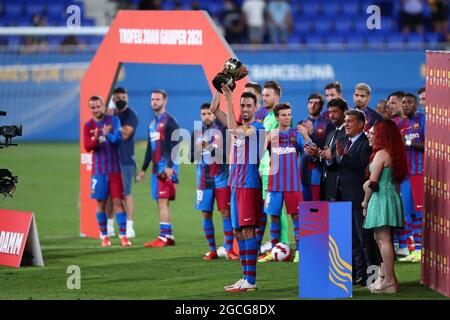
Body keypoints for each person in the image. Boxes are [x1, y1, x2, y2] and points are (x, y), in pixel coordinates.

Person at [220, 84, 265, 292]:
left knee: (248, 230)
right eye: (242, 105)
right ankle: (245, 277)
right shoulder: (240, 127)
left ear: (255, 108)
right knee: (237, 231)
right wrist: (219, 88)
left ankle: (251, 280)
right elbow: (213, 111)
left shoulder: (257, 128)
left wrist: (229, 100)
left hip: (249, 184)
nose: (245, 108)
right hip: (236, 184)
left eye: (248, 105)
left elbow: (232, 130)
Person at [362, 120, 408, 293]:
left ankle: (389, 281)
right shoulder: (394, 153)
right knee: (381, 239)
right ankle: (388, 278)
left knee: (383, 239)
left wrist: (365, 201)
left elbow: (373, 183)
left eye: (374, 132)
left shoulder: (382, 153)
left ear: (382, 134)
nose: (370, 134)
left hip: (380, 199)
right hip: (390, 198)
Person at [192, 102, 238, 261]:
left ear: (214, 115)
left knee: (225, 213)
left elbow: (226, 155)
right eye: (203, 114)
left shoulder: (223, 131)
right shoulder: (196, 133)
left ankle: (229, 249)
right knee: (206, 214)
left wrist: (209, 147)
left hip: (221, 178)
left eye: (209, 114)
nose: (206, 117)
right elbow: (191, 157)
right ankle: (212, 250)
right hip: (203, 181)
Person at [83, 96, 131, 247]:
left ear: (103, 107)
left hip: (114, 170)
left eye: (98, 106)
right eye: (93, 107)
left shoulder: (113, 121)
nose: (96, 109)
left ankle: (123, 236)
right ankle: (104, 236)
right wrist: (96, 138)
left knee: (118, 202)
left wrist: (107, 134)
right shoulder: (88, 125)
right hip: (98, 172)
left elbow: (118, 140)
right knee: (101, 203)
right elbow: (88, 147)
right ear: (90, 109)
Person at [137, 89, 181, 247]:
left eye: (157, 99)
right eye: (152, 99)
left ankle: (163, 238)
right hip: (156, 168)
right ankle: (168, 236)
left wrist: (170, 166)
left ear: (165, 101)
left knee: (163, 201)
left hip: (165, 167)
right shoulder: (152, 124)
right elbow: (150, 148)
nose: (154, 102)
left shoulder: (169, 121)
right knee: (161, 202)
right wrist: (143, 169)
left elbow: (176, 143)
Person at [334, 109, 372, 286]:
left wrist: (343, 157)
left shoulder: (365, 143)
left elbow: (361, 166)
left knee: (365, 240)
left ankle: (371, 276)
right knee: (353, 240)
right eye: (346, 121)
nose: (346, 124)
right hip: (344, 197)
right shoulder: (345, 142)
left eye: (350, 121)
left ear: (361, 124)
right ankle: (359, 274)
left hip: (359, 198)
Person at [254, 81, 290, 262]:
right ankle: (278, 245)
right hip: (265, 168)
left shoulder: (278, 118)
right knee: (271, 208)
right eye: (263, 95)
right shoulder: (268, 117)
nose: (263, 98)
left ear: (277, 96)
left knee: (275, 208)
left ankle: (282, 245)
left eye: (267, 95)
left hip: (273, 169)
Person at [264, 103, 304, 260]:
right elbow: (258, 153)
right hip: (274, 184)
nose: (287, 117)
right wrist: (266, 139)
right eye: (284, 115)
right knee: (274, 216)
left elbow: (307, 150)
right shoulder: (271, 135)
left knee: (296, 217)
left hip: (292, 184)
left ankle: (300, 252)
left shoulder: (296, 135)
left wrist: (306, 136)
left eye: (289, 114)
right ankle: (273, 250)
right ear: (277, 117)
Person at [396, 93, 425, 263]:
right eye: (404, 103)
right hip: (405, 175)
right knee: (409, 213)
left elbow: (429, 145)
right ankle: (415, 249)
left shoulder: (422, 120)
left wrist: (406, 143)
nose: (406, 105)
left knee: (420, 212)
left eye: (409, 103)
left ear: (416, 105)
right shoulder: (400, 124)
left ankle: (423, 249)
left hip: (419, 172)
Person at [106, 87, 139, 239]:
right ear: (113, 99)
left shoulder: (131, 115)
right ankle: (109, 225)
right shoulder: (109, 115)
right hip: (110, 160)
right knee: (110, 195)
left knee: (126, 194)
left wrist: (111, 125)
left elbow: (124, 134)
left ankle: (129, 226)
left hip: (125, 160)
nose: (121, 99)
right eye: (117, 97)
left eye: (123, 96)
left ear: (127, 98)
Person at [297, 93, 330, 202]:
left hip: (319, 169)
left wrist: (311, 135)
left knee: (318, 204)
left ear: (321, 106)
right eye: (310, 102)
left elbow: (327, 147)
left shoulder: (327, 124)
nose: (313, 105)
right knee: (305, 204)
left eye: (316, 103)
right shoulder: (300, 124)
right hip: (304, 169)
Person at [314, 98, 349, 201]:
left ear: (345, 112)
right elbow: (326, 160)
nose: (331, 115)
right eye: (329, 112)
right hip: (327, 186)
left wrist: (330, 159)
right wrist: (317, 155)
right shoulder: (331, 134)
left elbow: (343, 162)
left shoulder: (348, 134)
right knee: (327, 217)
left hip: (339, 189)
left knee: (338, 217)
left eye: (335, 112)